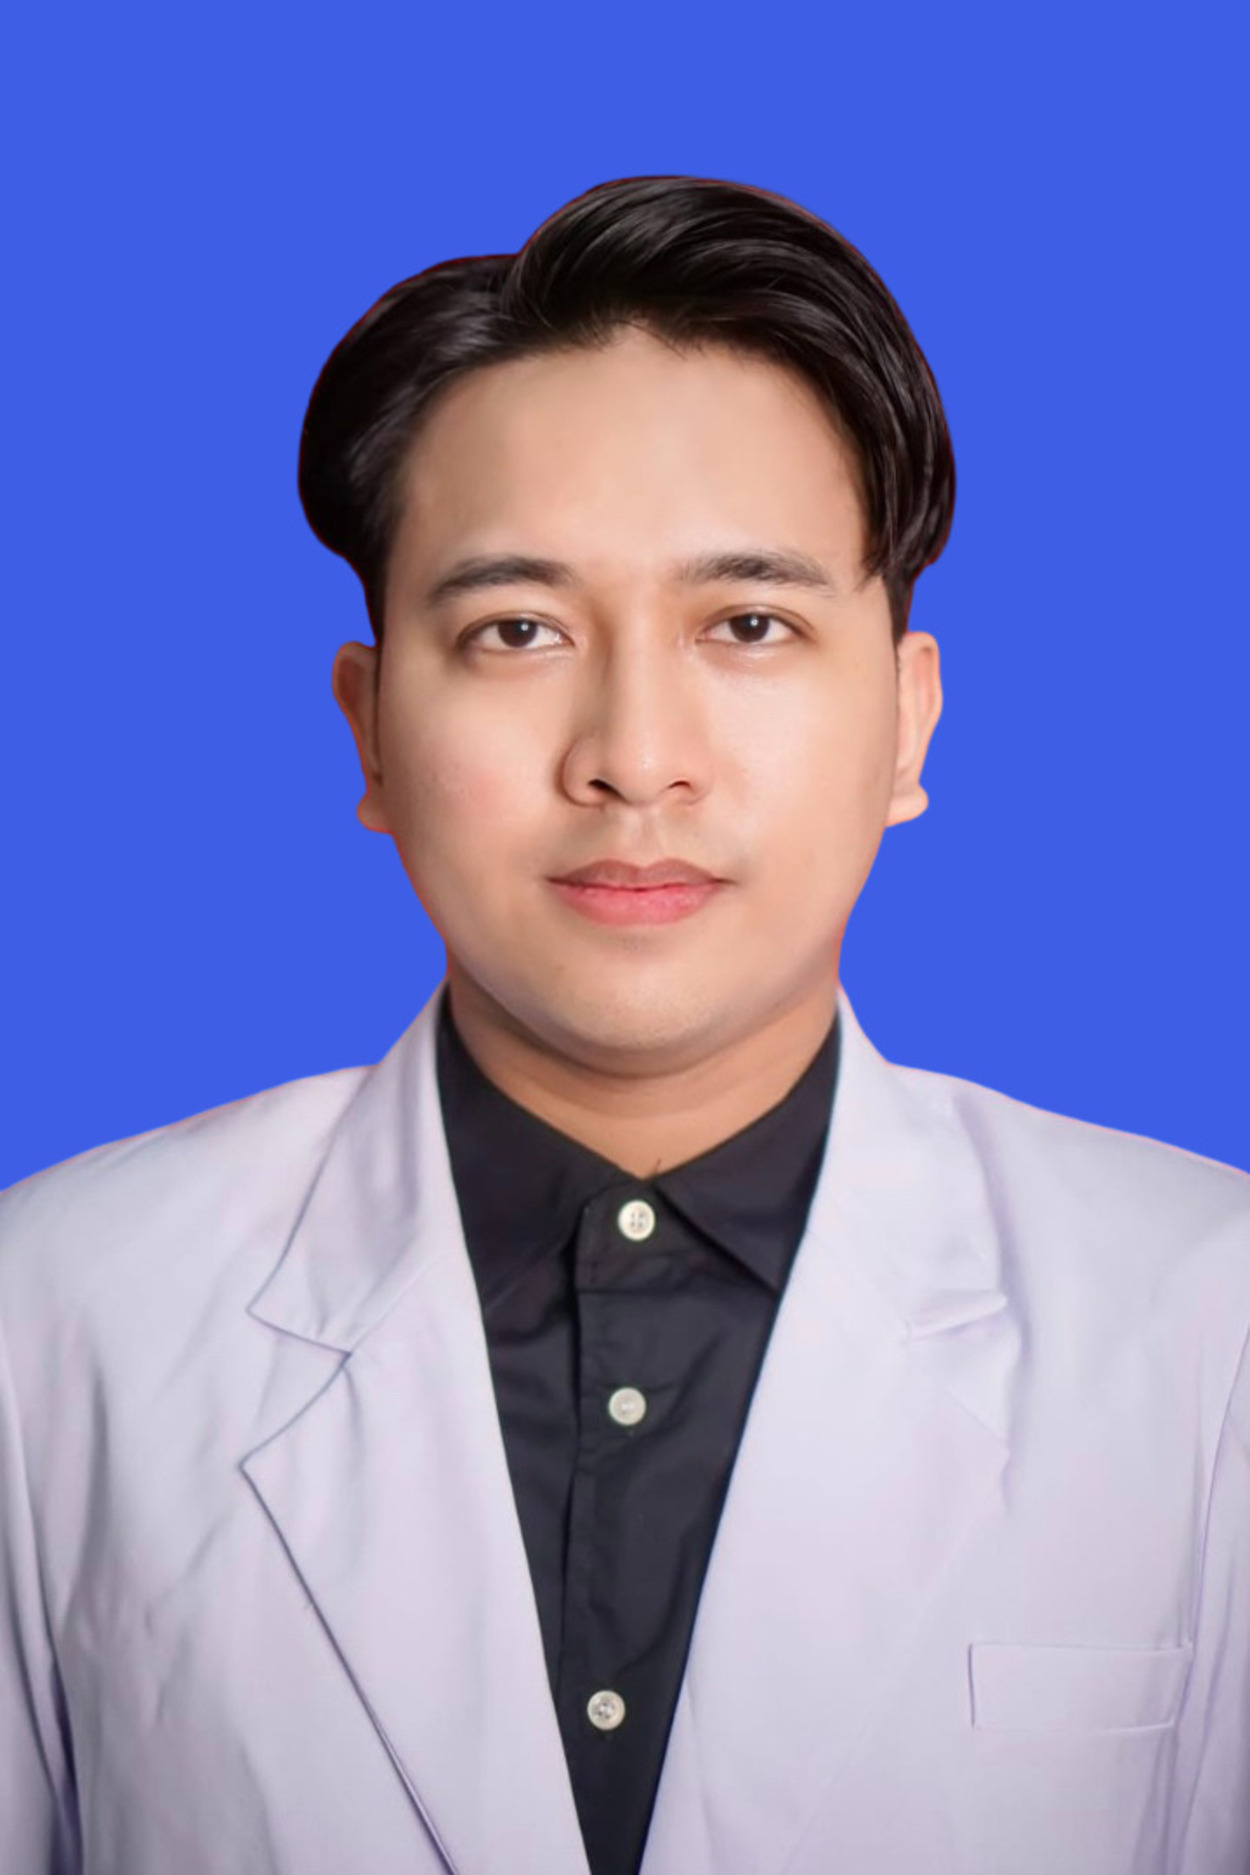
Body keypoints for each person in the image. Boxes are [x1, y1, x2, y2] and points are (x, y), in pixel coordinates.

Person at [1, 174, 1247, 1875]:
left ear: (905, 719)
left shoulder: (1205, 1319)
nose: (633, 757)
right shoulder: (55, 1319)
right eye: (515, 630)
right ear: (370, 729)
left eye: (747, 624)